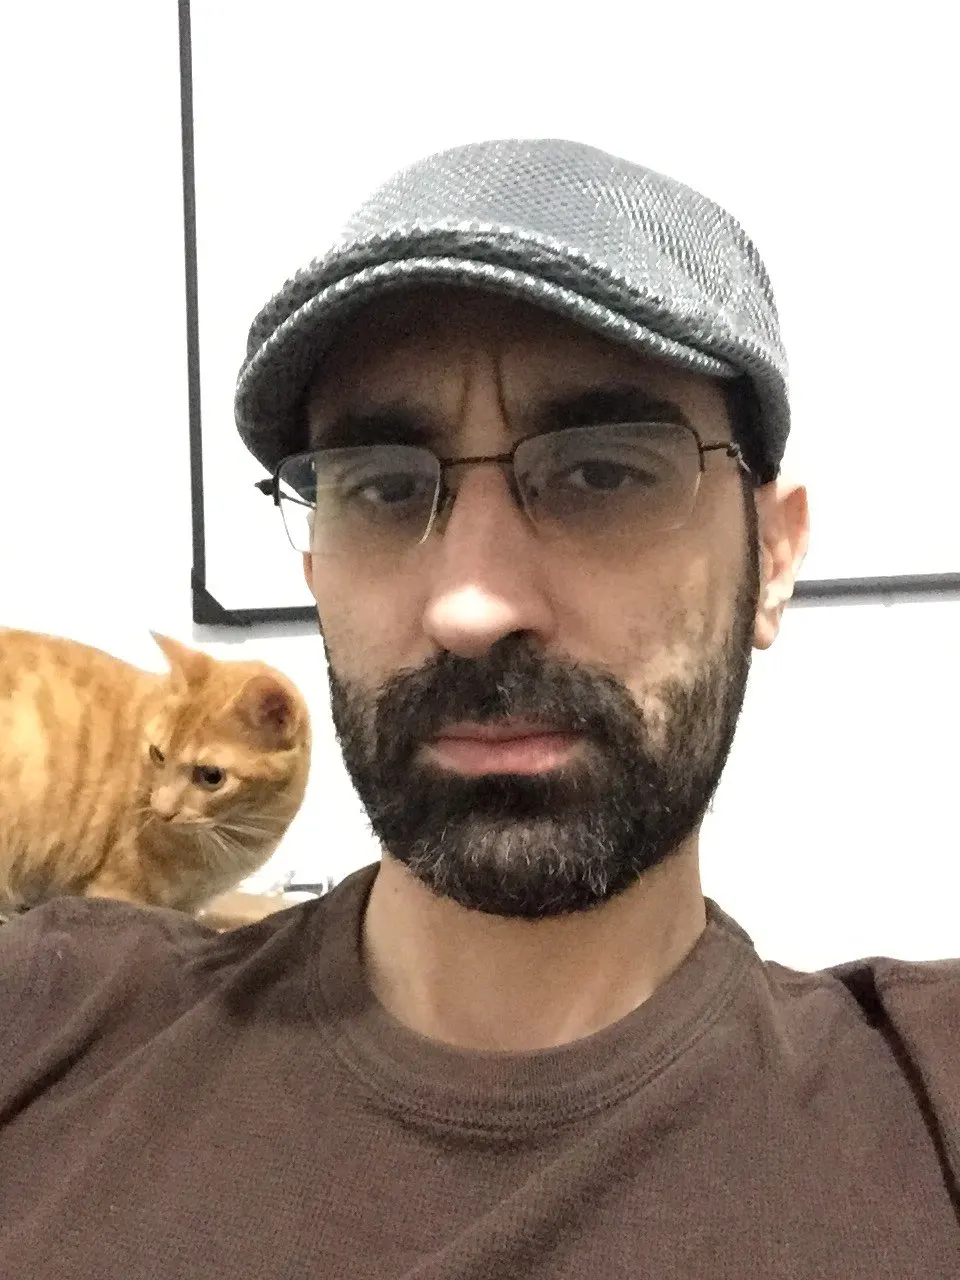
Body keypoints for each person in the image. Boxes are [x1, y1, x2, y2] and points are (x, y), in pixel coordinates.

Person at [1, 139, 957, 1278]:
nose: (471, 604)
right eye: (382, 485)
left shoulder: (923, 1102)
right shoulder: (54, 1024)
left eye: (603, 471)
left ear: (775, 557)